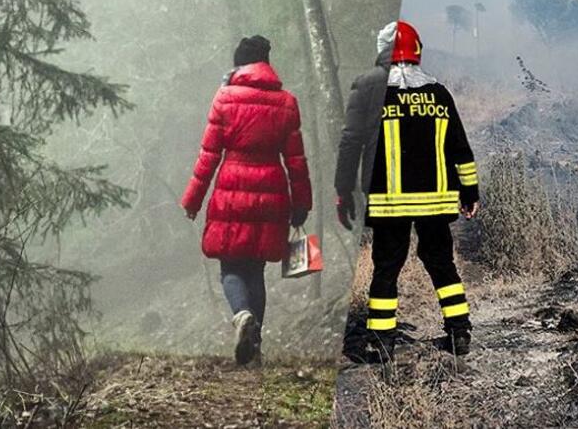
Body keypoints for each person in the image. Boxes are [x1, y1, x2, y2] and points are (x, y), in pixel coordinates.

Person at [334, 21, 480, 360]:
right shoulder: (439, 94)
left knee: (386, 267)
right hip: (435, 203)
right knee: (442, 263)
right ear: (416, 53)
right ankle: (459, 332)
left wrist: (343, 190)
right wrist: (469, 193)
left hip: (389, 206)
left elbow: (350, 144)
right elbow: (461, 149)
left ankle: (382, 342)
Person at [180, 35, 311, 365]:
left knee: (231, 267)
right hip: (272, 190)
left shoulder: (225, 98)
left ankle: (241, 316)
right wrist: (301, 203)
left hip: (232, 187)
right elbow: (296, 159)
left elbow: (209, 154)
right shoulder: (286, 101)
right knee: (256, 271)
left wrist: (192, 200)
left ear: (239, 64)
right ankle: (254, 348)